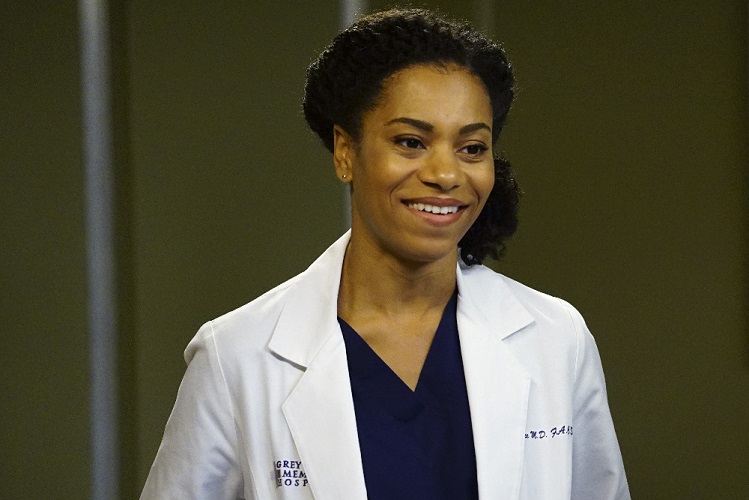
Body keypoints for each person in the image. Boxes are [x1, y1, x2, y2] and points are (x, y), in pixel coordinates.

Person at [141, 8, 629, 500]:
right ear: (345, 151)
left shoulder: (556, 339)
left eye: (472, 148)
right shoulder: (237, 357)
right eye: (411, 142)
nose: (446, 174)